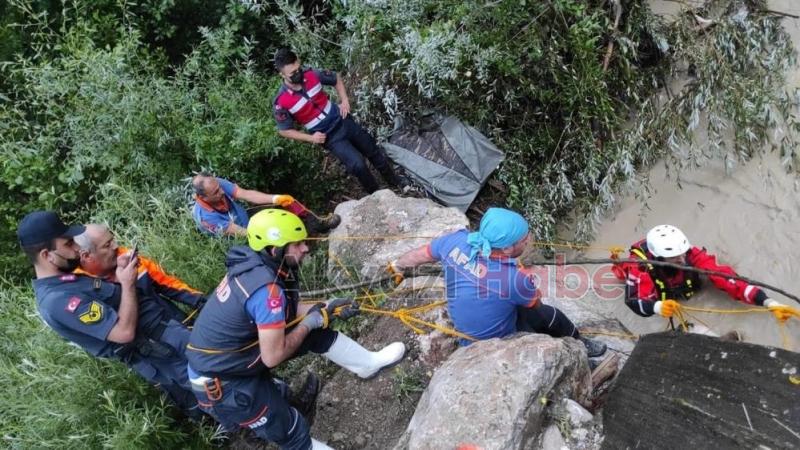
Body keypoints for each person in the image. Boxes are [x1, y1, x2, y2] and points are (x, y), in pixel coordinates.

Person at [185, 209, 406, 449]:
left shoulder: (257, 262)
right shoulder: (265, 289)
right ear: (275, 249)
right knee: (292, 434)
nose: (305, 249)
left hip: (233, 358)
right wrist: (310, 322)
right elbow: (273, 356)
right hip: (224, 382)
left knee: (314, 333)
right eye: (297, 244)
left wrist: (327, 307)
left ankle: (367, 364)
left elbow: (283, 312)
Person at [19, 211, 202, 419]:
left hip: (165, 337)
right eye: (69, 244)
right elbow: (123, 333)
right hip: (158, 350)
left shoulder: (68, 280)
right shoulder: (58, 301)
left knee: (219, 372)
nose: (78, 249)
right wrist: (127, 283)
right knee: (216, 386)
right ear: (46, 255)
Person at [388, 207, 607, 357]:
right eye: (525, 239)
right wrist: (525, 284)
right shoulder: (513, 280)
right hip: (497, 342)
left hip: (466, 334)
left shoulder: (454, 240)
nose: (530, 240)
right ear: (508, 249)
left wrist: (398, 265)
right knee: (550, 316)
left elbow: (420, 254)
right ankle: (579, 347)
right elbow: (535, 304)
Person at [272, 48, 404, 193]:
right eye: (292, 73)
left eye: (298, 69)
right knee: (357, 165)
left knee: (372, 149)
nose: (298, 74)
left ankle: (396, 183)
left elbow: (336, 78)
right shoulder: (281, 101)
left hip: (343, 120)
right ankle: (377, 194)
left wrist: (345, 100)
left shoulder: (312, 74)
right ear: (282, 74)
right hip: (329, 137)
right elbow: (284, 131)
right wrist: (311, 138)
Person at [613, 224, 795, 328]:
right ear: (660, 257)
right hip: (660, 295)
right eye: (677, 258)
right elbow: (633, 300)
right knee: (623, 274)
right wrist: (658, 307)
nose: (683, 259)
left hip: (676, 288)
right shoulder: (641, 267)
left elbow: (728, 279)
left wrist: (768, 302)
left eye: (684, 253)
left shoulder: (690, 254)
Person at [74, 223, 205, 323]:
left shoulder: (126, 257)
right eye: (107, 245)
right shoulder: (82, 288)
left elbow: (167, 283)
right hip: (150, 345)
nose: (115, 246)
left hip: (175, 320)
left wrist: (200, 301)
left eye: (112, 240)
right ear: (87, 256)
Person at [191, 172, 340, 237]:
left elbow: (246, 194)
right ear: (202, 196)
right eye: (216, 192)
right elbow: (240, 233)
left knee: (287, 204)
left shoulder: (215, 184)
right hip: (241, 237)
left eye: (220, 188)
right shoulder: (206, 218)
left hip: (246, 218)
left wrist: (276, 198)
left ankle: (319, 224)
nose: (222, 192)